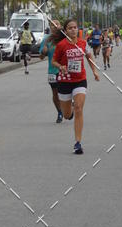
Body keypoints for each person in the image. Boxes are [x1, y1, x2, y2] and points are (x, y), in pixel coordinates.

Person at [52, 17, 100, 154]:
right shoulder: (61, 45)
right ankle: (70, 110)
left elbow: (89, 57)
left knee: (79, 108)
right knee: (67, 115)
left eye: (75, 27)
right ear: (66, 31)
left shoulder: (83, 43)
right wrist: (61, 67)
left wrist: (94, 71)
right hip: (64, 81)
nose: (73, 30)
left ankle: (78, 143)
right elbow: (54, 61)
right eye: (70, 28)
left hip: (80, 80)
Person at [39, 22, 63, 122]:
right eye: (52, 24)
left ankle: (69, 105)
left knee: (66, 91)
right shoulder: (46, 39)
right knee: (55, 93)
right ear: (50, 27)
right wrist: (43, 52)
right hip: (52, 71)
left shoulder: (64, 37)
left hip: (65, 70)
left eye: (57, 24)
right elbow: (41, 57)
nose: (55, 26)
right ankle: (60, 112)